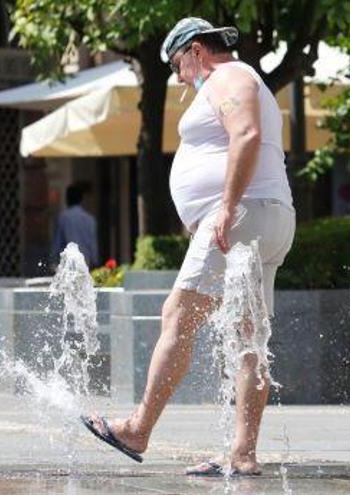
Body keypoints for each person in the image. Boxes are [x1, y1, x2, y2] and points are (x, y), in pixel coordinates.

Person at [81, 17, 295, 477]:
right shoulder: (237, 78)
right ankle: (242, 452)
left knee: (178, 316)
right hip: (266, 215)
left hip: (242, 215)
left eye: (178, 63)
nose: (178, 76)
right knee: (248, 336)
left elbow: (246, 135)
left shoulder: (228, 76)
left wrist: (225, 206)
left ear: (196, 50)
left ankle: (138, 428)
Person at [52, 183, 98, 267]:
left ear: (67, 199)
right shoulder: (89, 219)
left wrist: (54, 261)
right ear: (81, 199)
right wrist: (95, 261)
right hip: (84, 263)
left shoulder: (63, 217)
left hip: (67, 263)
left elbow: (57, 243)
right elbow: (92, 244)